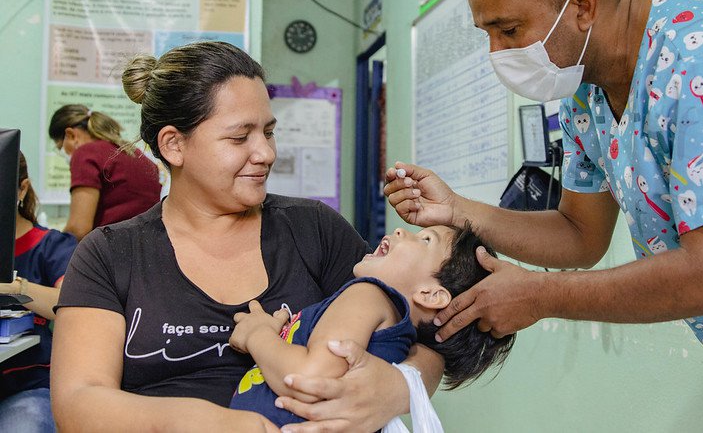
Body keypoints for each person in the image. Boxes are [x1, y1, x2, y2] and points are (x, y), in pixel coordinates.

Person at [384, 0, 703, 432]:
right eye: (487, 34)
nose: (498, 53)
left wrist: (539, 295)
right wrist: (458, 211)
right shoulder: (589, 90)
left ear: (582, 6)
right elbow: (580, 234)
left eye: (509, 30)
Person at [50, 41, 444, 433]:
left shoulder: (314, 230)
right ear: (174, 144)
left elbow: (429, 341)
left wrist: (397, 387)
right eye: (240, 138)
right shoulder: (109, 254)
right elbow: (78, 402)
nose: (266, 153)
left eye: (269, 133)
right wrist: (194, 421)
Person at [229, 225, 515, 427]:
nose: (402, 231)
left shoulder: (369, 294)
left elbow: (308, 380)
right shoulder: (396, 337)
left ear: (430, 294)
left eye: (425, 240)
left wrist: (258, 334)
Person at [0, 151, 76, 433]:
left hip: (29, 384)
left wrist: (17, 287)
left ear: (22, 188)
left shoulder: (51, 246)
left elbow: (69, 302)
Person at [48, 104, 161, 240]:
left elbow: (78, 229)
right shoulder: (135, 154)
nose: (62, 153)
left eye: (60, 147)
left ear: (71, 135)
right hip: (148, 246)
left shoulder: (85, 153)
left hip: (111, 251)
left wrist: (50, 249)